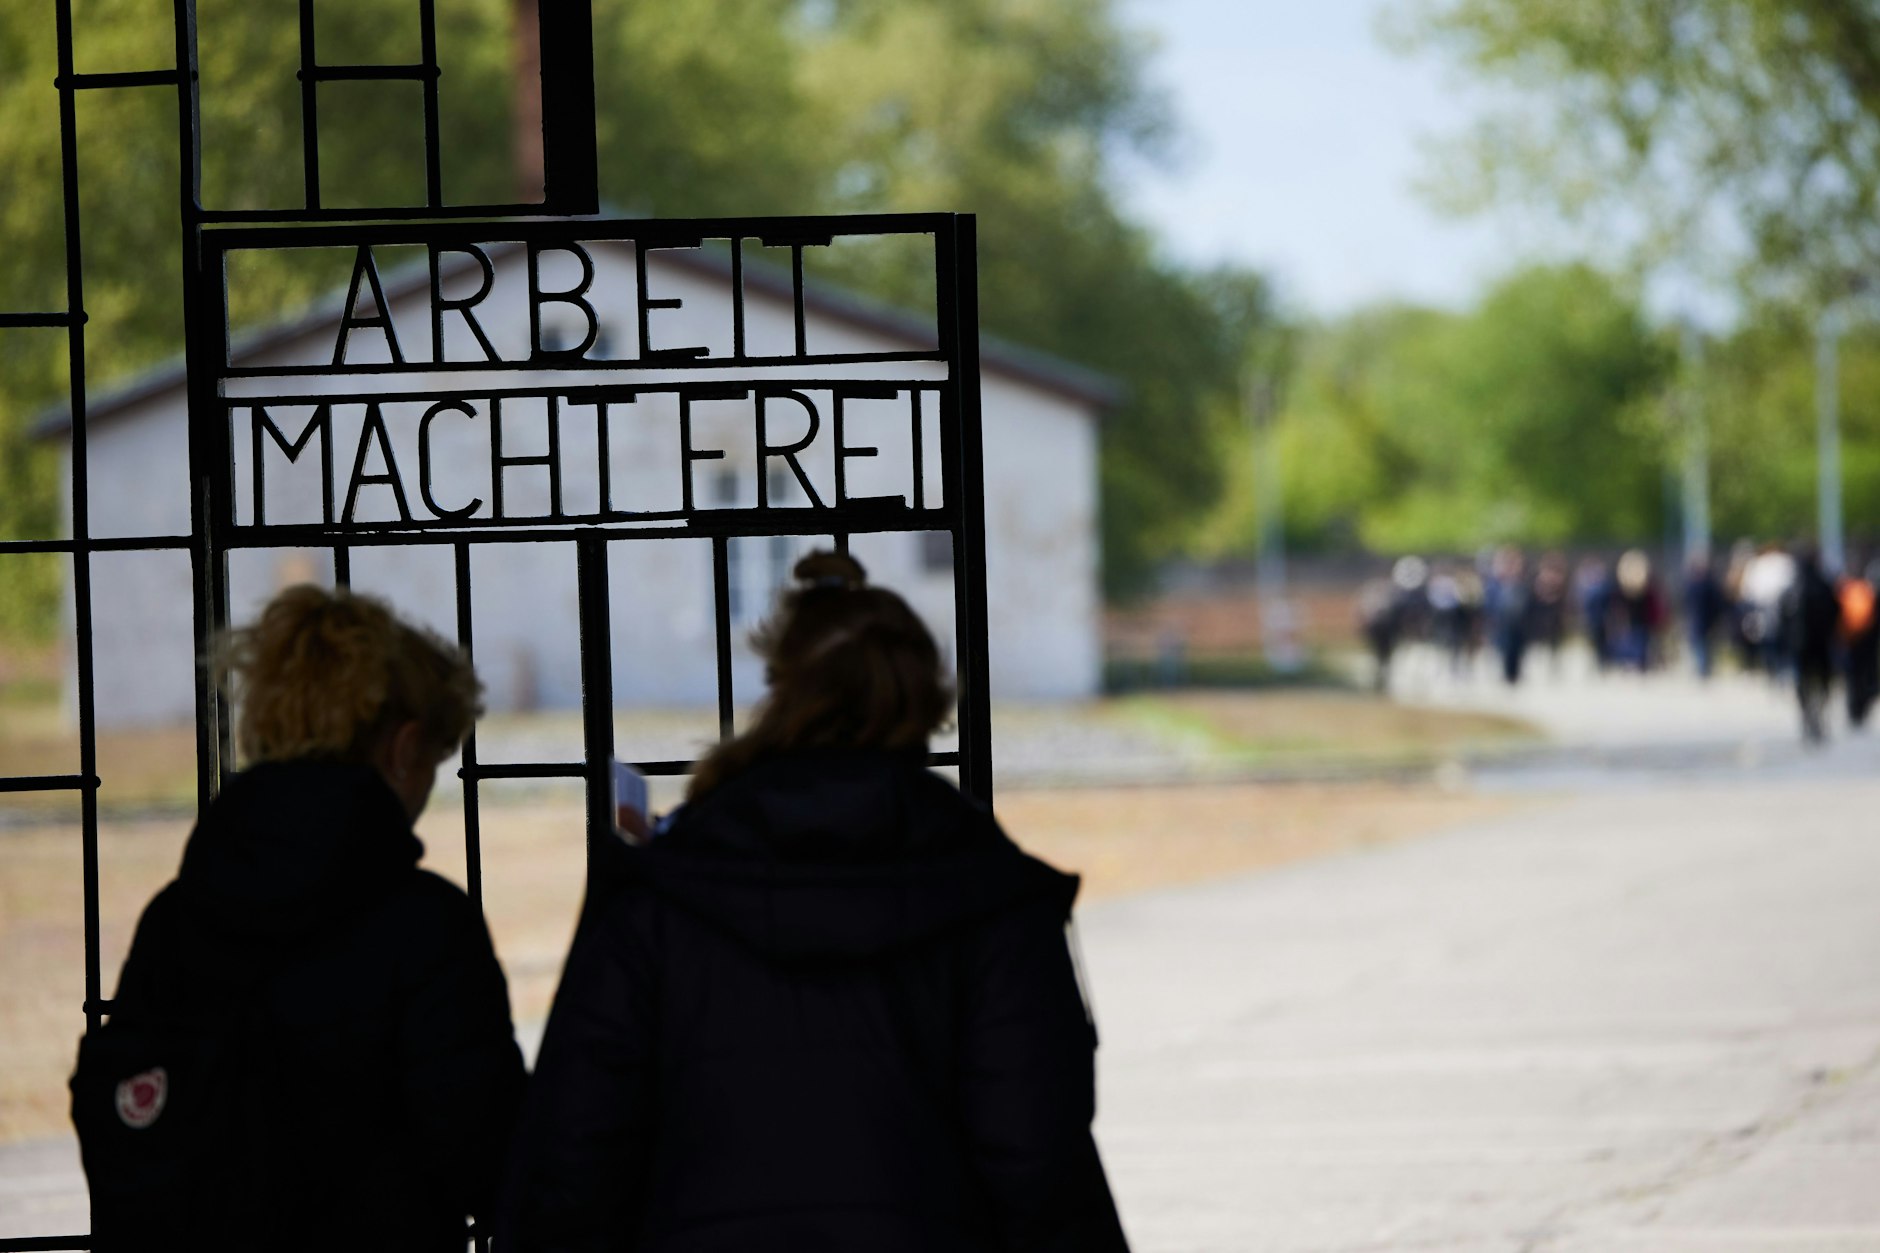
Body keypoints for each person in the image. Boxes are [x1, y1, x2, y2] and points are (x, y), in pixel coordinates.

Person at [503, 551, 1131, 1252]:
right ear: (925, 698)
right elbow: (1039, 1160)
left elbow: (577, 1150)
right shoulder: (993, 893)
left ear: (781, 691)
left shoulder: (664, 892)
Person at [87, 585, 524, 1249]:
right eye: (434, 762)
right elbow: (488, 1157)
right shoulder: (426, 926)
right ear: (404, 749)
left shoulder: (176, 919)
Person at [1782, 544, 1840, 744]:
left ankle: (1807, 710)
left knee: (1802, 680)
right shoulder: (1824, 585)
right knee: (1823, 679)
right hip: (1821, 643)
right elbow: (1835, 611)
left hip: (1800, 644)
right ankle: (1816, 709)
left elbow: (1783, 618)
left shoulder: (1792, 589)